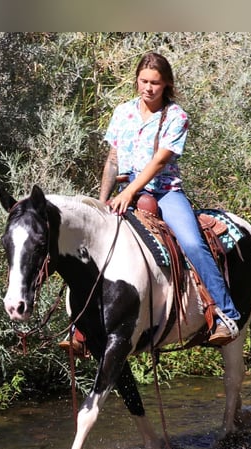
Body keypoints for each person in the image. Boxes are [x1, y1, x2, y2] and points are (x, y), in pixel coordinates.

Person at [99, 51, 240, 345]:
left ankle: (227, 315)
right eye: (143, 81)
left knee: (191, 242)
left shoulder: (176, 117)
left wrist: (128, 193)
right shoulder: (122, 112)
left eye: (155, 83)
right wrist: (102, 201)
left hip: (164, 192)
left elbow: (159, 162)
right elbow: (112, 159)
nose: (148, 88)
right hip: (124, 190)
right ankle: (84, 326)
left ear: (166, 85)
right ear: (136, 80)